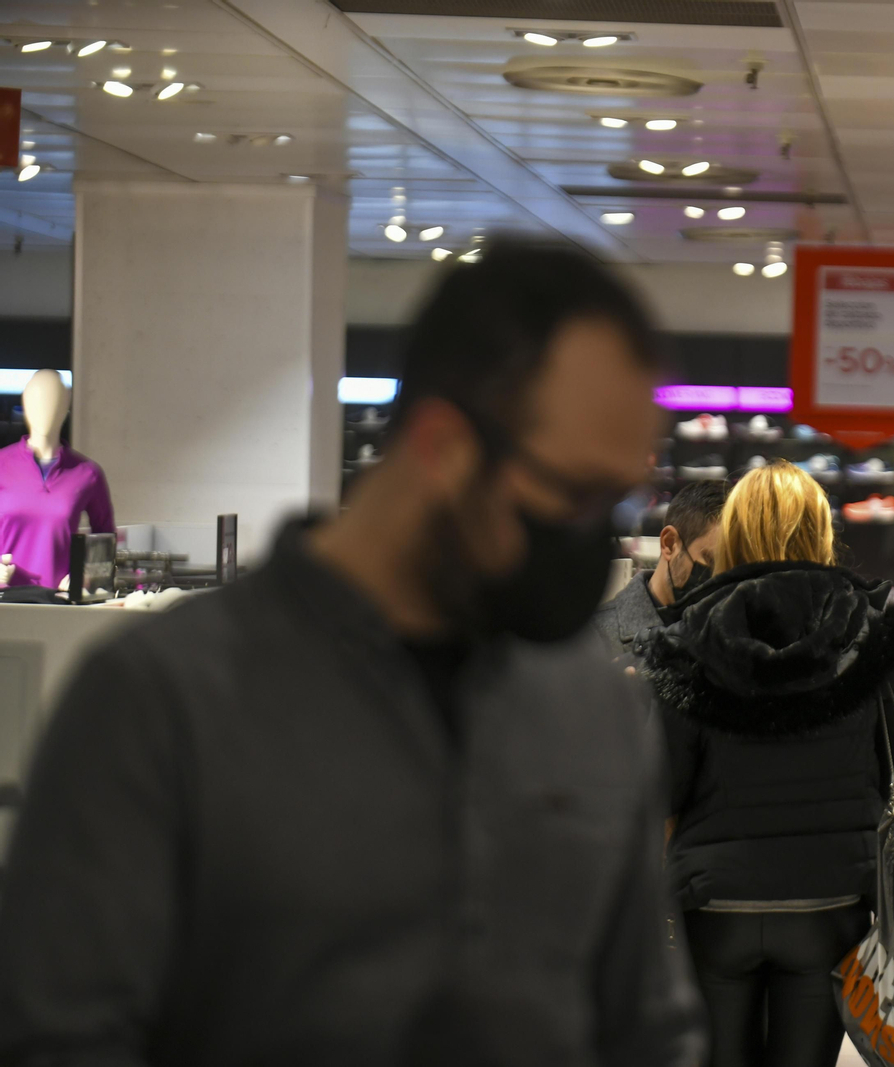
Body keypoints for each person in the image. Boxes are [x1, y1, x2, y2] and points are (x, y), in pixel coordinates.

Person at [0, 241, 705, 1066]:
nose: (598, 538)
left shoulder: (591, 707)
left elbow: (646, 1028)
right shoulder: (160, 702)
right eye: (574, 496)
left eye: (619, 497)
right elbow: (59, 1034)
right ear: (443, 446)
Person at [640, 459, 894, 1067]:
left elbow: (661, 790)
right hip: (830, 905)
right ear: (822, 533)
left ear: (737, 532)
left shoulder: (691, 635)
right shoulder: (869, 632)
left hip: (715, 904)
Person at [594, 479, 725, 658]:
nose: (722, 578)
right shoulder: (594, 641)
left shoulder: (729, 638)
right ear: (670, 544)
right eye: (712, 562)